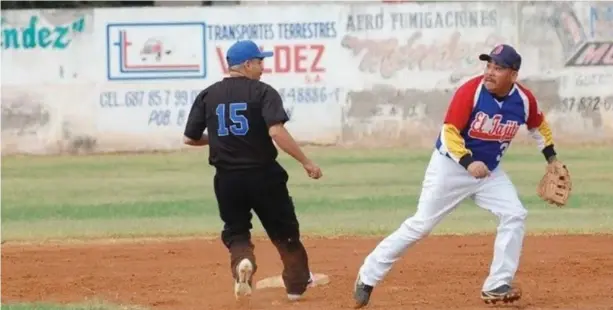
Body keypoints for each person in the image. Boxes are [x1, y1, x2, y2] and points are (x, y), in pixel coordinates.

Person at [352, 44, 566, 307]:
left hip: (488, 171)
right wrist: (467, 161)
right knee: (421, 225)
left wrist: (552, 158)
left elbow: (539, 126)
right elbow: (449, 132)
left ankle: (497, 284)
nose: (489, 72)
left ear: (513, 74)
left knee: (515, 214)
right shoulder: (471, 92)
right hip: (450, 167)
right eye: (488, 66)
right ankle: (368, 275)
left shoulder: (523, 100)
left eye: (498, 68)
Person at [182, 39, 323, 301]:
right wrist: (306, 161)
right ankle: (295, 286)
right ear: (247, 64)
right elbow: (276, 131)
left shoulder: (208, 95)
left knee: (236, 231)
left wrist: (220, 139)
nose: (262, 67)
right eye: (259, 62)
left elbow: (190, 138)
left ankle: (242, 262)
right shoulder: (263, 92)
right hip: (263, 176)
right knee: (284, 232)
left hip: (227, 180)